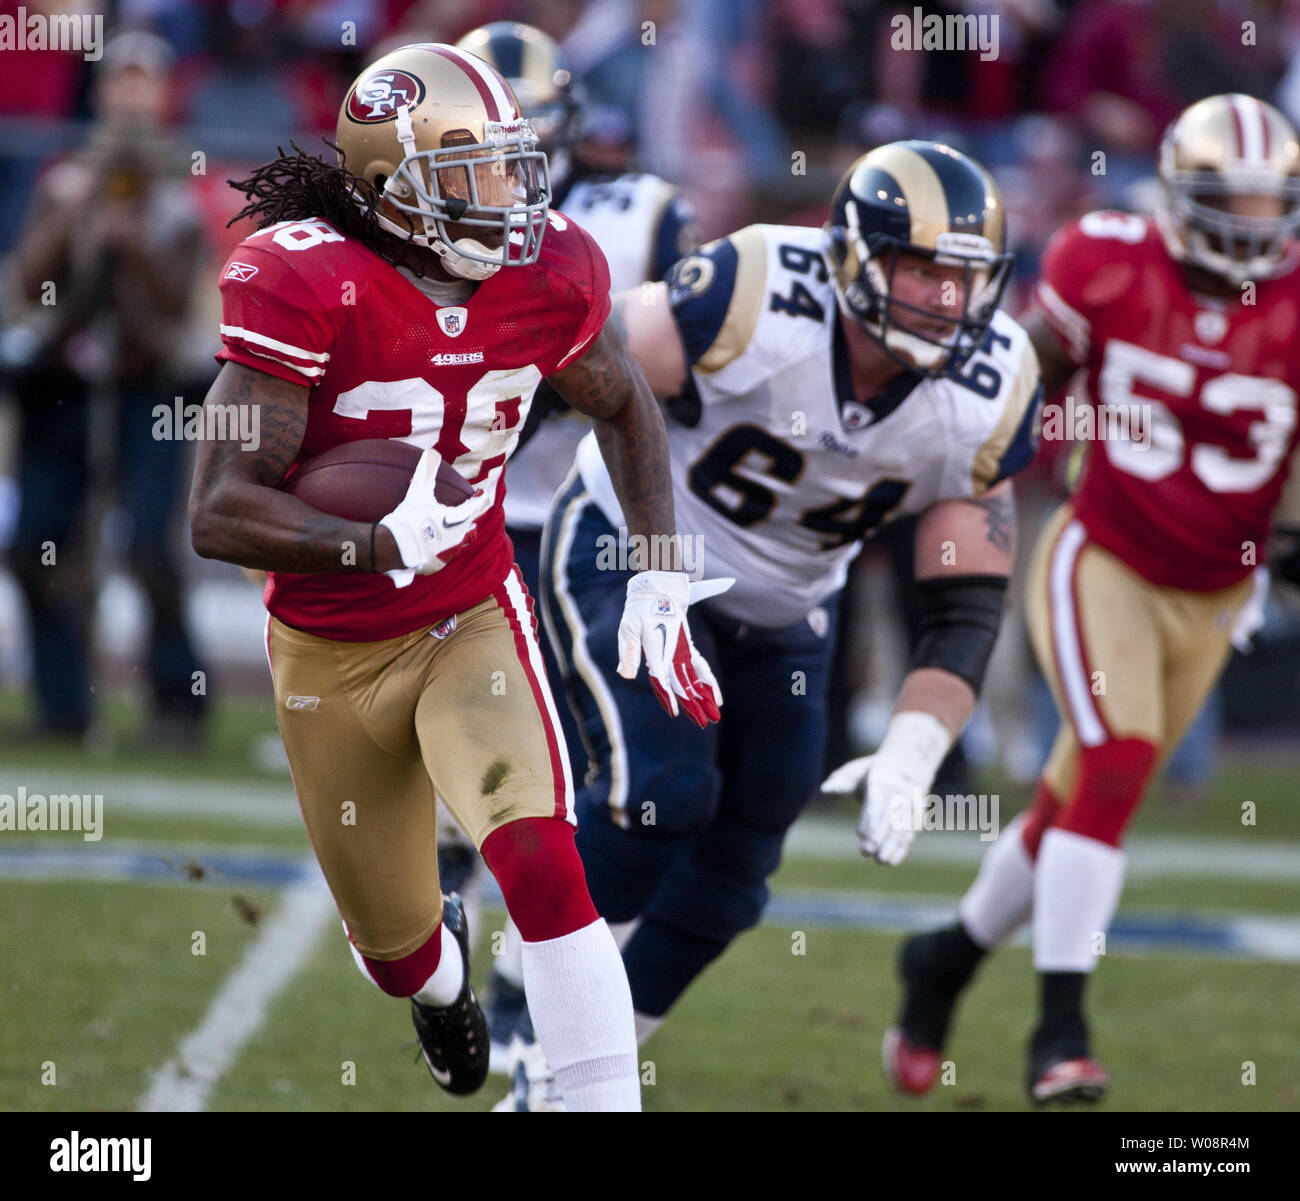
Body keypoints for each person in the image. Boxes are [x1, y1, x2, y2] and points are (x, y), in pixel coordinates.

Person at [188, 42, 723, 1112]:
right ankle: (439, 984)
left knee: (541, 861)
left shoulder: (549, 268)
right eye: (471, 176)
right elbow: (218, 509)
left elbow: (621, 401)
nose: (512, 201)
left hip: (467, 614)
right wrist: (379, 542)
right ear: (390, 188)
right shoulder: (301, 279)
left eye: (515, 168)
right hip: (325, 646)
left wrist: (660, 569)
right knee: (395, 951)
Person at [515, 141, 1042, 1106]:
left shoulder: (992, 385)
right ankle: (531, 1007)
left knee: (741, 862)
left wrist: (915, 750)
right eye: (923, 268)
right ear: (852, 256)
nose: (946, 300)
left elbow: (964, 599)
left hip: (790, 604)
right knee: (661, 791)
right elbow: (583, 366)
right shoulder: (754, 289)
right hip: (635, 546)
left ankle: (578, 1067)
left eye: (965, 277)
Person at [887, 94, 1300, 1105]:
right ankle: (1060, 1028)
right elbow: (1016, 378)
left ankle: (941, 957)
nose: (1248, 226)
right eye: (1226, 201)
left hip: (1215, 586)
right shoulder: (1107, 259)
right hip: (1102, 557)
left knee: (1081, 799)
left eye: (1266, 204)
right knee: (1113, 763)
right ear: (1175, 192)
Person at [441, 18, 701, 1072]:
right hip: (455, 516)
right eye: (474, 154)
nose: (501, 178)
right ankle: (452, 944)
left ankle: (518, 977)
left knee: (577, 761)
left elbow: (669, 389)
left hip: (580, 514)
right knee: (471, 751)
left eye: (522, 146)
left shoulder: (633, 219)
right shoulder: (404, 230)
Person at [5, 31, 208, 745]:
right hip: (62, 383)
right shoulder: (64, 181)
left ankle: (177, 700)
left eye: (142, 84)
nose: (129, 98)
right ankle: (63, 705)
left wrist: (133, 243)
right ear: (100, 96)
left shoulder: (182, 192)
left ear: (162, 96)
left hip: (147, 385)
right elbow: (32, 282)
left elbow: (177, 308)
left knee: (151, 544)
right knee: (38, 543)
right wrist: (77, 211)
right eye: (118, 84)